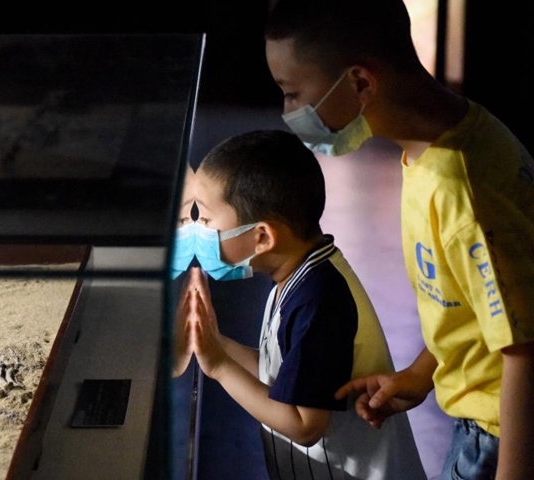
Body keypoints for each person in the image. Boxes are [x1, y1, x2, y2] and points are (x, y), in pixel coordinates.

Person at [262, 1, 534, 479]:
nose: (289, 111)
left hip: (499, 436)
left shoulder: (461, 189)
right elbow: (487, 309)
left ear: (361, 83)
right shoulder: (444, 143)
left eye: (292, 93)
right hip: (482, 421)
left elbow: (525, 347)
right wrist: (422, 373)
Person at [172, 130, 425, 480]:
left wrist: (219, 366)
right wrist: (218, 343)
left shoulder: (320, 299)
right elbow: (289, 374)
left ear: (262, 236)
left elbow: (306, 425)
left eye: (207, 220)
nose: (198, 230)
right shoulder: (299, 273)